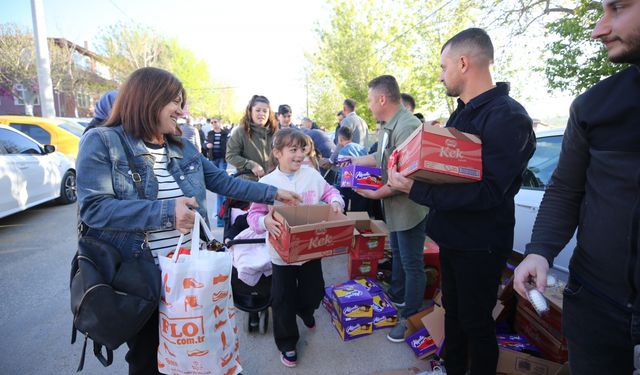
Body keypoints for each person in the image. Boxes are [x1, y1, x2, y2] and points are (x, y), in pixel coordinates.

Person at [76, 67, 301, 375]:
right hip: (142, 281)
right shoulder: (102, 141)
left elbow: (224, 182)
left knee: (196, 354)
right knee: (148, 359)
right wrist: (166, 212)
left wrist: (274, 193)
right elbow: (94, 209)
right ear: (149, 99)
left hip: (190, 275)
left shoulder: (182, 146)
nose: (182, 111)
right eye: (175, 102)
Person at [388, 28, 535, 375]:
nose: (440, 75)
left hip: (480, 244)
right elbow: (450, 173)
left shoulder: (507, 117)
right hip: (453, 237)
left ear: (464, 63)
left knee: (475, 322)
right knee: (452, 312)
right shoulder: (463, 113)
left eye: (443, 66)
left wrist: (414, 189)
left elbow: (487, 191)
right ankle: (450, 368)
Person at [513, 1, 640, 373]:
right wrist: (539, 252)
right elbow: (566, 188)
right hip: (596, 300)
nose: (598, 29)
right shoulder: (595, 106)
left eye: (617, 8)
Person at [247, 128, 344, 368]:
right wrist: (265, 222)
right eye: (293, 150)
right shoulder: (266, 183)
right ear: (277, 153)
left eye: (303, 149)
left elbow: (331, 191)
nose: (300, 154)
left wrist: (335, 202)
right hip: (280, 254)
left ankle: (305, 309)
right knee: (281, 299)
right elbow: (253, 215)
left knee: (315, 292)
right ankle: (288, 343)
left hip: (310, 249)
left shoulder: (311, 175)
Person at [346, 75, 429, 343]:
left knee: (412, 264)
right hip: (393, 207)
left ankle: (409, 316)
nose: (369, 106)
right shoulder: (386, 126)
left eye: (370, 100)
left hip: (409, 208)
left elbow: (405, 179)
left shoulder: (407, 126)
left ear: (382, 98)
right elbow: (380, 158)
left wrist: (373, 193)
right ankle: (397, 294)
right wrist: (353, 160)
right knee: (399, 258)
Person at [226, 95, 278, 181]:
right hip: (249, 183)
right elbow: (230, 156)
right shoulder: (240, 132)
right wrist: (251, 165)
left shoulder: (275, 133)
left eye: (265, 111)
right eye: (258, 110)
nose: (261, 114)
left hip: (273, 181)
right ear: (250, 112)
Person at [335, 126, 368, 212]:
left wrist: (338, 186)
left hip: (347, 183)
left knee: (343, 208)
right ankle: (359, 223)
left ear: (340, 139)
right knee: (358, 209)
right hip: (361, 182)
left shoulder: (343, 151)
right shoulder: (362, 148)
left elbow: (342, 171)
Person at [205, 117, 230, 227]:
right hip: (213, 160)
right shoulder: (210, 133)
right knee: (218, 188)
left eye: (216, 122)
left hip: (222, 160)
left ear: (220, 123)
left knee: (221, 188)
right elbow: (204, 145)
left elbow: (230, 147)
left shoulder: (225, 133)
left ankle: (221, 219)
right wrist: (206, 146)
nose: (214, 124)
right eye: (212, 122)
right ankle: (220, 217)